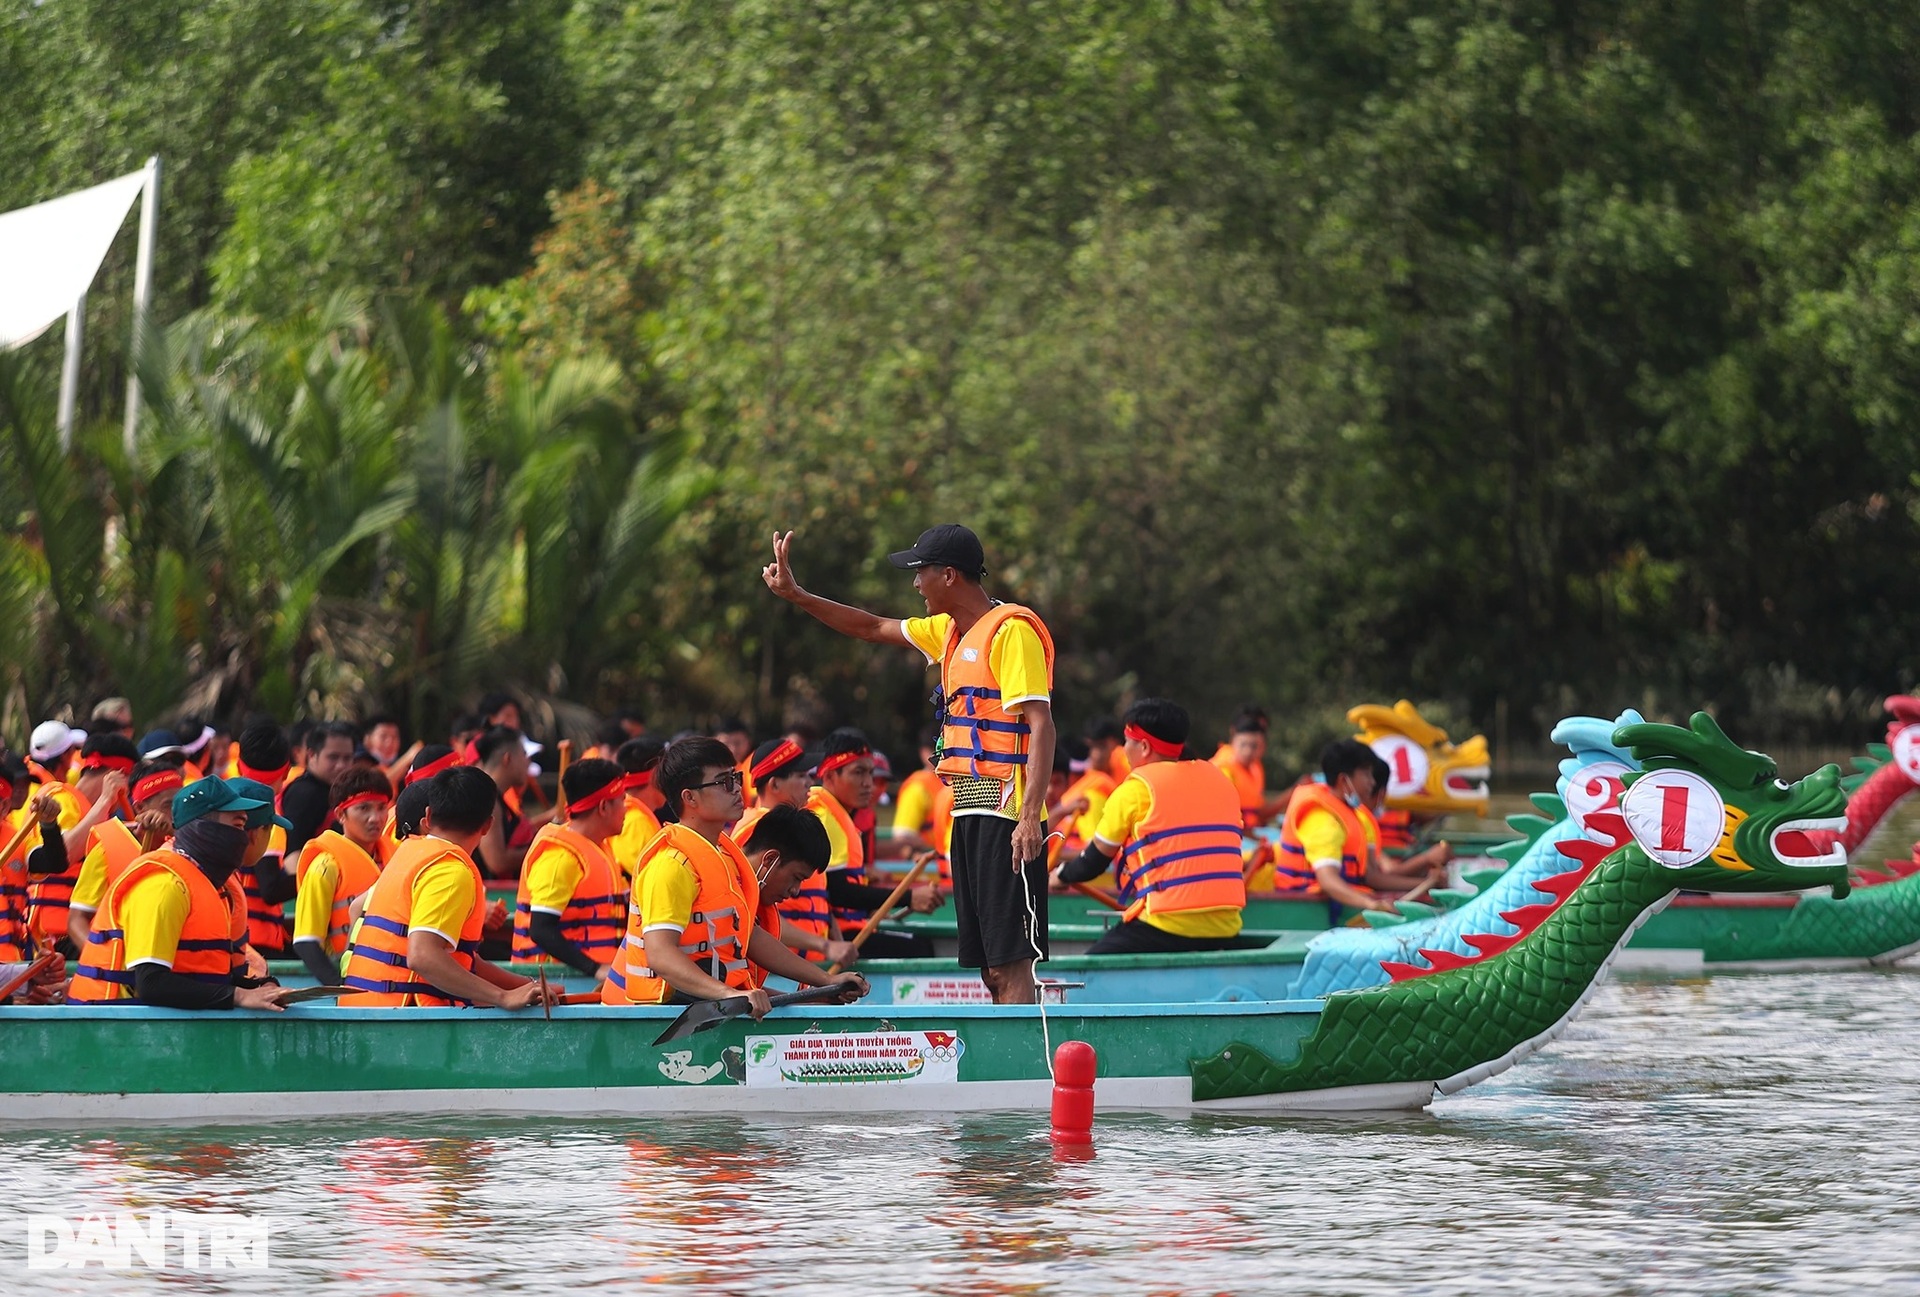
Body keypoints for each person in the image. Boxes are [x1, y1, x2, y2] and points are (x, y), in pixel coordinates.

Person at [763, 524, 1056, 1004]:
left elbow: (1042, 725)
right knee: (988, 970)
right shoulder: (948, 630)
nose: (915, 584)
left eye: (921, 573)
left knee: (1010, 963)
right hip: (969, 809)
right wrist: (798, 596)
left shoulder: (1012, 633)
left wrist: (1029, 818)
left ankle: (1020, 1070)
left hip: (1006, 815)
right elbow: (869, 627)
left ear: (950, 576)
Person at [601, 739, 866, 1011]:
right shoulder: (671, 864)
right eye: (724, 782)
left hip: (692, 1008)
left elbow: (750, 937)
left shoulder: (724, 858)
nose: (738, 789)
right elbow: (661, 955)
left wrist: (825, 982)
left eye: (736, 778)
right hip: (646, 1020)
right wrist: (727, 993)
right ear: (690, 797)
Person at [339, 766, 556, 1010]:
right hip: (398, 1020)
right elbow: (422, 956)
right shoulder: (451, 871)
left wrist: (526, 984)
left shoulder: (409, 853)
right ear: (487, 826)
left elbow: (460, 959)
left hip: (360, 1011)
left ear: (428, 816)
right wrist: (502, 997)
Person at [68, 778, 286, 1010]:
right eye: (238, 827)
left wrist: (260, 988)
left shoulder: (215, 888)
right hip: (108, 1027)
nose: (245, 838)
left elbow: (207, 979)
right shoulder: (164, 885)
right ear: (204, 830)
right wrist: (238, 996)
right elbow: (151, 983)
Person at [1053, 699, 1248, 953]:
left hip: (1166, 927)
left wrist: (1060, 876)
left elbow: (1092, 863)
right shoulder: (1222, 781)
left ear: (1143, 746)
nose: (1122, 750)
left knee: (1088, 967)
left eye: (1126, 742)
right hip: (1227, 928)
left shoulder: (1134, 791)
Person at [807, 728, 939, 959]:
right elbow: (836, 891)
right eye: (858, 773)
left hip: (843, 930)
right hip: (831, 939)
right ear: (829, 776)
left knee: (920, 944)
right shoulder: (825, 815)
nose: (868, 783)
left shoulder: (837, 812)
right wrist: (907, 898)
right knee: (920, 948)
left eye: (870, 773)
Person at [740, 738, 857, 967]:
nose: (810, 783)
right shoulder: (753, 832)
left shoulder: (800, 833)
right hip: (778, 966)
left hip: (809, 963)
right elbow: (752, 920)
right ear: (774, 785)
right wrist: (824, 946)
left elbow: (822, 897)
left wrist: (834, 936)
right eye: (801, 776)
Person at [510, 758, 629, 977]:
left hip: (591, 980)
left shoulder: (600, 847)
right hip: (555, 984)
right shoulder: (560, 857)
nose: (626, 810)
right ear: (604, 806)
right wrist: (595, 969)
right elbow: (541, 930)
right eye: (622, 801)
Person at [28, 732, 137, 948]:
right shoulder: (62, 798)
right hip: (52, 941)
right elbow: (63, 854)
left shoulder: (92, 812)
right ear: (117, 776)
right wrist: (106, 799)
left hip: (75, 935)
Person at [291, 767, 395, 985]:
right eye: (364, 808)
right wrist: (340, 987)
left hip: (390, 976)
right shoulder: (325, 867)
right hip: (346, 975)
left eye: (382, 807)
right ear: (340, 814)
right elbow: (306, 941)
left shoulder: (396, 860)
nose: (375, 818)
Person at [65, 759, 184, 948]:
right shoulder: (108, 848)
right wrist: (101, 959)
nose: (176, 813)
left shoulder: (188, 847)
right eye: (168, 805)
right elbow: (76, 920)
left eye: (181, 804)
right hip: (119, 968)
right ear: (139, 808)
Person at [1274, 739, 1398, 914]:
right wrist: (1371, 904)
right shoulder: (1324, 822)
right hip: (1305, 910)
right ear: (1343, 779)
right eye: (1366, 774)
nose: (1372, 782)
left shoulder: (1348, 812)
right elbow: (1328, 880)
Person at [231, 722, 297, 955]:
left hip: (227, 936)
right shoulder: (269, 820)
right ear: (287, 771)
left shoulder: (223, 808)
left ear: (239, 766)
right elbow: (271, 889)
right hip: (256, 944)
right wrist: (314, 876)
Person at [1212, 707, 1293, 829]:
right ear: (1233, 736)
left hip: (1254, 832)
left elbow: (1259, 812)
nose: (1248, 751)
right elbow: (1223, 817)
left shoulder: (1256, 767)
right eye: (1244, 744)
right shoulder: (1223, 768)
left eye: (1254, 746)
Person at [282, 721, 356, 855]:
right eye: (333, 757)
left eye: (347, 758)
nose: (341, 765)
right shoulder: (304, 794)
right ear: (311, 755)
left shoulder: (340, 790)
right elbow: (293, 854)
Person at [473, 725, 536, 878]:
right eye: (524, 755)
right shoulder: (485, 796)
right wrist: (543, 849)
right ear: (507, 758)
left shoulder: (493, 794)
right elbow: (497, 861)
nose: (528, 763)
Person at [609, 736, 670, 883]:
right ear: (656, 775)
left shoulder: (629, 815)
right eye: (668, 769)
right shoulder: (635, 822)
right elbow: (656, 881)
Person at [889, 728, 954, 861]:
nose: (941, 755)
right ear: (923, 752)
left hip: (949, 856)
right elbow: (902, 839)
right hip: (931, 862)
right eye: (936, 750)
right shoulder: (917, 788)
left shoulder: (955, 781)